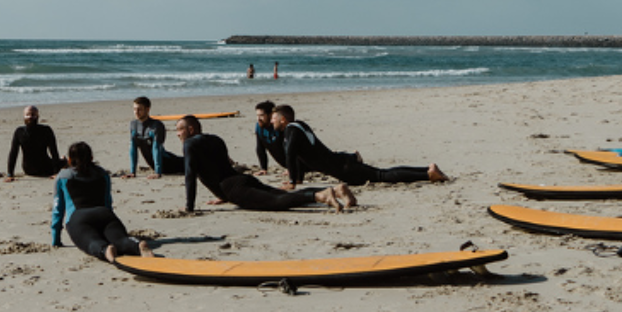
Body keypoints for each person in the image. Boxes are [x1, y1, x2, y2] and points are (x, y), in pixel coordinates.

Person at [179, 115, 350, 211]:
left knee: (276, 202)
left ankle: (320, 195)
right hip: (242, 179)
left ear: (191, 129)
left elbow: (190, 175)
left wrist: (189, 207)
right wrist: (222, 197)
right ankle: (335, 190)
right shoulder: (216, 139)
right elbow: (221, 169)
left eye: (180, 129)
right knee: (279, 195)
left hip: (234, 189)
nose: (178, 134)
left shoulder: (189, 144)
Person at [272, 104, 446, 187]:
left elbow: (291, 154)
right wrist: (299, 177)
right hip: (341, 163)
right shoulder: (299, 126)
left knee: (381, 175)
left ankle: (427, 173)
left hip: (343, 168)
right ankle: (427, 170)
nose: (272, 122)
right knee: (382, 173)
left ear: (283, 119)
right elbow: (303, 155)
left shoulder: (291, 131)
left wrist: (293, 182)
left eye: (274, 119)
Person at [51, 142, 155, 262]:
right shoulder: (102, 174)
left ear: (69, 159)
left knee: (92, 242)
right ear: (91, 158)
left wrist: (56, 239)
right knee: (121, 239)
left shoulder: (63, 176)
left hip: (78, 219)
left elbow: (57, 209)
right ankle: (137, 245)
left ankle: (105, 249)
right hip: (105, 215)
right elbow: (107, 202)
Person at [128, 97, 181, 177]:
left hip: (170, 163)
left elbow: (156, 149)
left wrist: (158, 172)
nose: (136, 112)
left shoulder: (156, 126)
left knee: (193, 163)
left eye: (139, 109)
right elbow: (133, 149)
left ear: (147, 109)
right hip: (155, 166)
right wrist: (132, 172)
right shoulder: (133, 125)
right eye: (134, 109)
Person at [6, 105, 61, 179]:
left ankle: (62, 161)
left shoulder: (46, 130)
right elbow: (13, 153)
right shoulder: (19, 132)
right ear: (24, 116)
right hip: (29, 169)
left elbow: (54, 151)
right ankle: (63, 160)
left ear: (37, 116)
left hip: (47, 168)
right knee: (64, 162)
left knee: (63, 163)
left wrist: (56, 172)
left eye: (33, 114)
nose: (30, 117)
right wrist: (10, 174)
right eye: (27, 114)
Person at [251, 100, 284, 173]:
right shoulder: (259, 127)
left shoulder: (280, 126)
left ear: (270, 115)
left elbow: (290, 149)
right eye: (257, 115)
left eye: (262, 115)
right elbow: (260, 148)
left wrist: (291, 168)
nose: (258, 119)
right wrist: (263, 168)